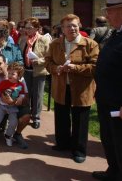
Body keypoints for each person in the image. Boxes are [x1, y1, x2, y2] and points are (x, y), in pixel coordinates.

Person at [93, 0, 122, 181]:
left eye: (109, 11)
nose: (106, 15)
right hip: (107, 101)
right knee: (111, 143)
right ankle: (113, 172)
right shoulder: (119, 32)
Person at [45, 14, 99, 164]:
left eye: (74, 25)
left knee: (80, 120)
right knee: (61, 116)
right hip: (61, 87)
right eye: (68, 26)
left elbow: (95, 67)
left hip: (81, 89)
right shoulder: (55, 44)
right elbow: (47, 62)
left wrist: (75, 68)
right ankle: (62, 143)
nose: (72, 28)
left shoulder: (90, 44)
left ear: (80, 25)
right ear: (62, 29)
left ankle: (79, 150)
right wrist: (56, 68)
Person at [0, 54, 31, 149]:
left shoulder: (19, 77)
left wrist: (17, 100)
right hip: (0, 106)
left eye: (0, 63)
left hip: (15, 106)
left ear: (5, 63)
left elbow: (25, 95)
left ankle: (16, 134)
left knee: (23, 117)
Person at [18, 17, 50, 129]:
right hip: (25, 71)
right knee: (26, 93)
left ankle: (36, 117)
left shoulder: (44, 39)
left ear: (37, 28)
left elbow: (49, 57)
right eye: (26, 28)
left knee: (37, 95)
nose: (27, 30)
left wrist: (39, 60)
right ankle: (25, 114)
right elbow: (19, 53)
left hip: (39, 71)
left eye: (30, 28)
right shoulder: (23, 39)